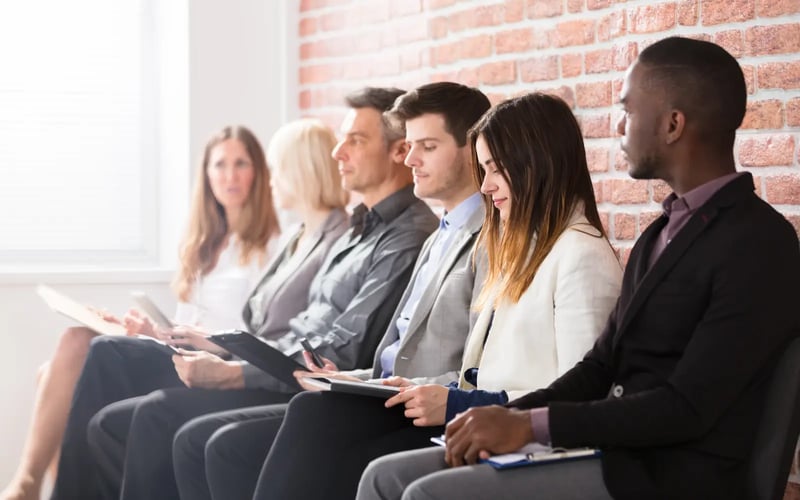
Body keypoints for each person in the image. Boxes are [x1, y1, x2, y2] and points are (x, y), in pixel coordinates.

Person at [358, 36, 800, 500]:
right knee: (384, 478)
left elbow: (688, 407)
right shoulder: (660, 233)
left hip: (668, 475)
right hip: (617, 453)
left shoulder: (758, 242)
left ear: (672, 124)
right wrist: (505, 418)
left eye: (628, 110)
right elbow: (599, 366)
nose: (617, 126)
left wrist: (529, 424)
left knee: (427, 494)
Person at [49, 87, 439, 500]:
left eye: (355, 141)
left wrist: (232, 367)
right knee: (108, 367)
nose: (338, 152)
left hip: (303, 383)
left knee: (147, 407)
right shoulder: (360, 228)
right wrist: (220, 347)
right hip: (275, 364)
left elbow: (341, 351)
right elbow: (298, 331)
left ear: (397, 151)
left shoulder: (403, 235)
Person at [253, 91, 623, 500]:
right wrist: (412, 388)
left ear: (536, 165)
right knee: (317, 415)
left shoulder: (581, 255)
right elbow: (475, 371)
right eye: (484, 170)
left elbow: (580, 395)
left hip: (521, 438)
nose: (487, 185)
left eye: (496, 169)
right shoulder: (524, 251)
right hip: (479, 418)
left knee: (361, 461)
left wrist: (458, 404)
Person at [171, 81, 492, 500]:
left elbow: (469, 360)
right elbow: (386, 348)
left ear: (470, 150)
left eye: (425, 147)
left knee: (235, 435)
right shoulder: (434, 233)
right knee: (214, 437)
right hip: (374, 387)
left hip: (415, 402)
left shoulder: (450, 234)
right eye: (410, 145)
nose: (411, 157)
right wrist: (347, 378)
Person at [0, 125, 280, 500]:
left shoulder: (271, 244)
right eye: (220, 164)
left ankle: (29, 486)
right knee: (51, 371)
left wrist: (190, 342)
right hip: (179, 350)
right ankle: (42, 487)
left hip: (213, 362)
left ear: (258, 172)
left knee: (77, 345)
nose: (229, 175)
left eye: (240, 164)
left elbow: (254, 333)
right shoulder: (203, 244)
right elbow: (181, 327)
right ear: (207, 173)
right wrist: (147, 330)